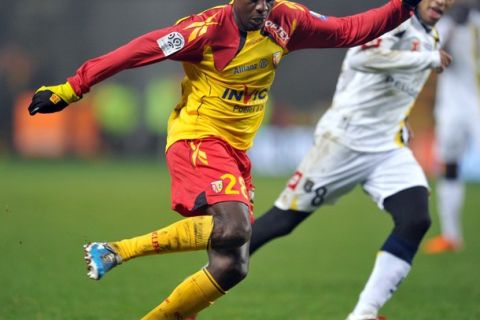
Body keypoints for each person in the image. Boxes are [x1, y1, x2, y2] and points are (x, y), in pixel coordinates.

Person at [28, 0, 421, 319]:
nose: (263, 8)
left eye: (268, 0)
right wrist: (71, 88)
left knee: (232, 266)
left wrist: (405, 6)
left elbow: (348, 30)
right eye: (255, 1)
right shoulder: (205, 31)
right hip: (198, 138)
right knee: (235, 227)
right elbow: (138, 50)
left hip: (235, 153)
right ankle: (119, 250)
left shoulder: (287, 20)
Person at [246, 0, 454, 319]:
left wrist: (400, 120)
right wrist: (425, 59)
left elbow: (393, 87)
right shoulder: (397, 24)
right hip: (343, 142)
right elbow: (363, 58)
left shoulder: (431, 35)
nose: (441, 1)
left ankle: (364, 314)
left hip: (387, 147)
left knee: (416, 219)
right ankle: (209, 277)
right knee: (282, 222)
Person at [423, 0, 480, 254]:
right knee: (449, 164)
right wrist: (454, 25)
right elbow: (434, 57)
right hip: (453, 107)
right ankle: (451, 235)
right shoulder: (448, 23)